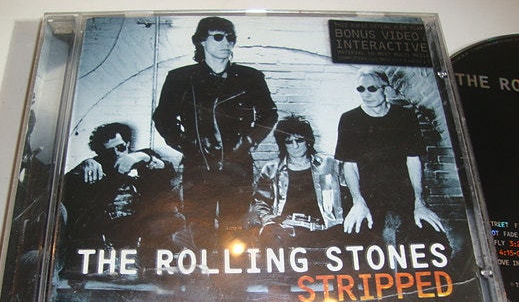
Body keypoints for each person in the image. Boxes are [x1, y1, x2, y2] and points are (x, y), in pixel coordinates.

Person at [153, 16, 278, 250]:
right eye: (218, 37)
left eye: (231, 38)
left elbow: (269, 114)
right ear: (201, 41)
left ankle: (230, 272)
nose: (226, 43)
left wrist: (248, 142)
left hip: (238, 166)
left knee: (235, 230)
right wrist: (187, 145)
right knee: (199, 229)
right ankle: (204, 270)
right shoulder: (180, 78)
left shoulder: (250, 77)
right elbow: (163, 118)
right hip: (198, 167)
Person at [335, 68, 447, 250]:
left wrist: (419, 202)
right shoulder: (349, 119)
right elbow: (350, 165)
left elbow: (413, 160)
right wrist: (358, 201)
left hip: (402, 191)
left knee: (430, 237)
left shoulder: (405, 116)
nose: (366, 94)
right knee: (358, 242)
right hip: (367, 192)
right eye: (361, 89)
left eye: (372, 88)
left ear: (385, 89)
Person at [61, 122, 183, 273]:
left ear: (127, 144)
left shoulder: (143, 158)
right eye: (109, 152)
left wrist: (142, 157)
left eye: (120, 147)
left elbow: (168, 172)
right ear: (100, 153)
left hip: (145, 230)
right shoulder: (97, 166)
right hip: (109, 235)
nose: (117, 154)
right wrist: (83, 166)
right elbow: (63, 188)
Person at [251, 115, 344, 248]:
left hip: (325, 231)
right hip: (285, 232)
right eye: (289, 142)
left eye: (299, 140)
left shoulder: (329, 164)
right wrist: (269, 221)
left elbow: (350, 192)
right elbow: (259, 203)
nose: (295, 146)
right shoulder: (271, 169)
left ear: (308, 140)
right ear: (283, 144)